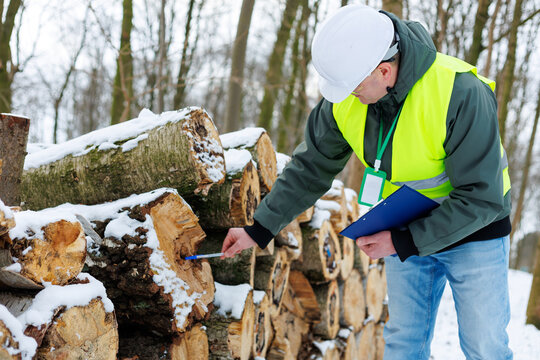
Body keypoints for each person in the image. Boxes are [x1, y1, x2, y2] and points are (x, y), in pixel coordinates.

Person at [221, 4, 513, 360]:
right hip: (404, 229)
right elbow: (311, 166)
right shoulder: (346, 97)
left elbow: (482, 198)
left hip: (474, 232)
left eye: (354, 88)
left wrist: (403, 240)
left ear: (385, 70)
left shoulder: (460, 91)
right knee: (404, 344)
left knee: (486, 347)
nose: (346, 97)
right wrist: (260, 228)